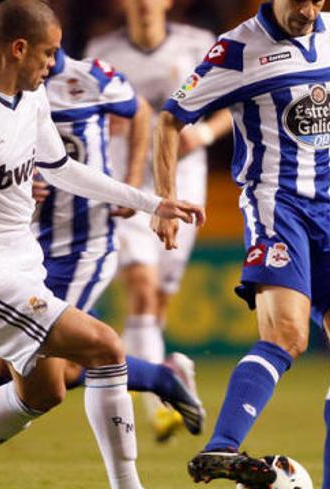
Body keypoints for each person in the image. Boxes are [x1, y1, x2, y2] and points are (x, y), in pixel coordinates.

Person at [0, 1, 203, 489]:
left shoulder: (29, 98)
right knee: (105, 346)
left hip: (22, 265)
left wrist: (151, 203)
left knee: (45, 392)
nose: (53, 65)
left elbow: (63, 168)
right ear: (18, 48)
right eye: (48, 54)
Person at [154, 1, 330, 489]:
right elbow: (170, 120)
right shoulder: (236, 50)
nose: (308, 9)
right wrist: (164, 199)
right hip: (279, 207)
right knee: (288, 335)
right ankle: (223, 445)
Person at [0, 48, 205, 440]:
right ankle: (162, 376)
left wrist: (129, 181)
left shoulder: (93, 78)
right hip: (27, 247)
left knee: (11, 359)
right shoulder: (4, 90)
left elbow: (141, 111)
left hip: (83, 246)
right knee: (58, 367)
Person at [84, 0, 232, 443]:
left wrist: (204, 133)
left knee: (158, 306)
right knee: (142, 291)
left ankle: (171, 369)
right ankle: (158, 408)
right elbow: (83, 111)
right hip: (131, 185)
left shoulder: (198, 44)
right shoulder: (102, 50)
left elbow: (235, 100)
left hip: (185, 182)